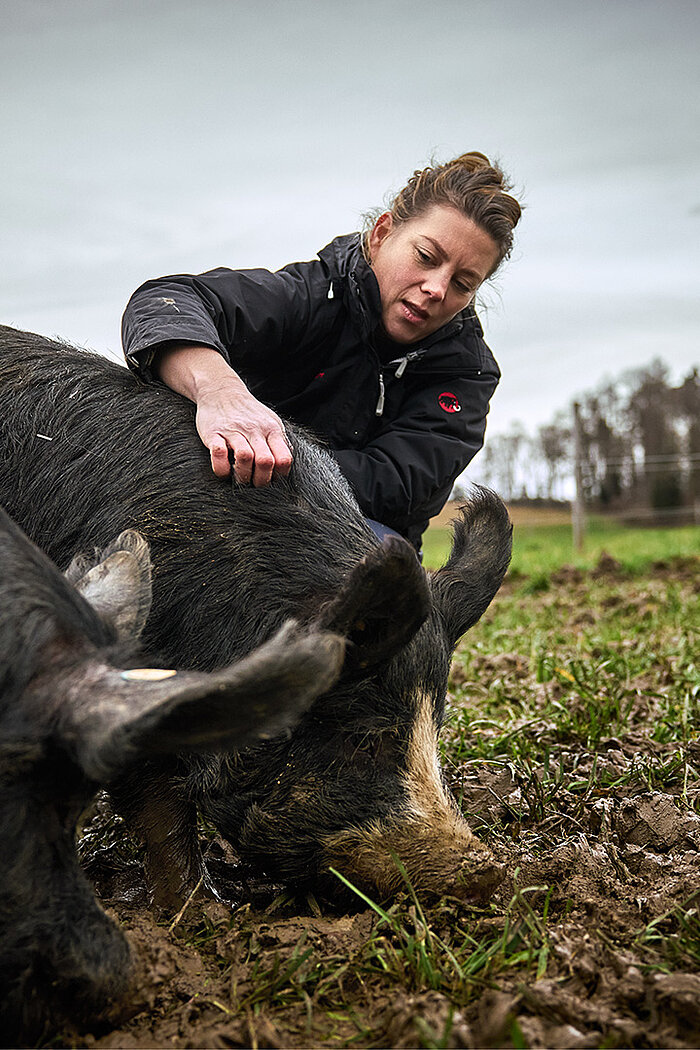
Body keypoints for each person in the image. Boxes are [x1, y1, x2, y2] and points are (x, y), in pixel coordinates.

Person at [121, 152, 521, 552]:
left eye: (463, 283)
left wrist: (266, 451)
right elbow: (166, 301)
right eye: (426, 257)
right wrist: (221, 393)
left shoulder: (468, 374)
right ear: (382, 234)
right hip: (227, 506)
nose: (436, 288)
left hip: (355, 533)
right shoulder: (309, 295)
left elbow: (393, 486)